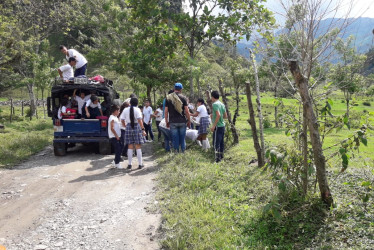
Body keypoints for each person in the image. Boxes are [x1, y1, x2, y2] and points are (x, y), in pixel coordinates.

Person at [164, 83, 191, 153]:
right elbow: (187, 111)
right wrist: (189, 120)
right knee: (182, 138)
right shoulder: (183, 98)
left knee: (175, 138)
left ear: (174, 89)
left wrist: (166, 121)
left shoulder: (168, 97)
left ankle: (176, 151)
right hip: (182, 121)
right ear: (181, 89)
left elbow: (166, 111)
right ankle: (183, 152)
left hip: (173, 121)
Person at [122, 98, 146, 170]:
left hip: (129, 126)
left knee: (130, 146)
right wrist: (143, 129)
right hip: (137, 127)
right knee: (138, 146)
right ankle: (140, 164)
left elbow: (122, 120)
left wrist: (125, 126)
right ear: (137, 103)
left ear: (130, 103)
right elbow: (139, 120)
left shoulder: (125, 109)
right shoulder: (137, 109)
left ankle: (129, 164)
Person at [210, 91, 227, 163]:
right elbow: (225, 116)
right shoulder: (222, 104)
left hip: (217, 126)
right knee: (221, 142)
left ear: (213, 97)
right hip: (222, 125)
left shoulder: (215, 104)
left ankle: (217, 159)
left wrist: (214, 125)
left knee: (216, 143)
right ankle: (221, 156)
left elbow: (218, 115)